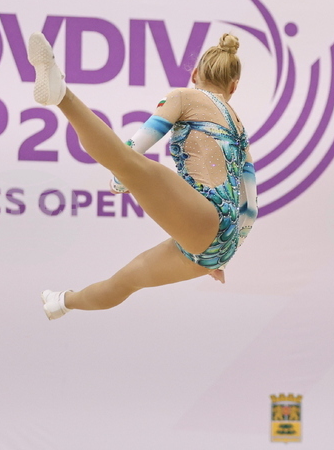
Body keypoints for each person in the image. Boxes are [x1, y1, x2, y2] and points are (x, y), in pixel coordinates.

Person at [27, 31, 258, 319]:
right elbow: (250, 209)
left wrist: (122, 178)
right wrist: (222, 257)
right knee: (124, 281)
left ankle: (61, 94)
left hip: (207, 219)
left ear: (195, 73)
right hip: (218, 246)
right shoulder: (240, 130)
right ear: (233, 86)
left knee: (127, 162)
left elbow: (135, 147)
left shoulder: (184, 97)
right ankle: (62, 302)